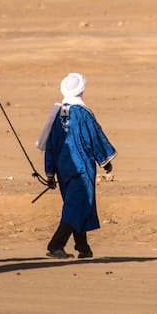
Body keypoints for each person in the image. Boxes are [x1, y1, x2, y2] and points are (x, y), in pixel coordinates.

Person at [38, 72, 117, 259]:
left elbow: (51, 144)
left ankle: (83, 247)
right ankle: (56, 245)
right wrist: (106, 161)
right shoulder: (84, 114)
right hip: (82, 168)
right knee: (77, 205)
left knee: (74, 205)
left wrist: (50, 172)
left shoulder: (57, 114)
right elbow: (96, 138)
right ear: (81, 90)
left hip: (62, 169)